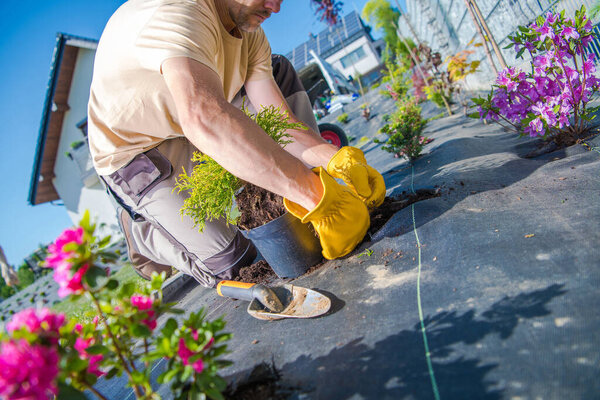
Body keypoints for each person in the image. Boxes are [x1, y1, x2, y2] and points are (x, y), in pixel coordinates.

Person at [87, 0, 386, 288]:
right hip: (140, 151)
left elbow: (280, 123)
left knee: (276, 71)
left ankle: (306, 190)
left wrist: (334, 159)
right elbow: (204, 118)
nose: (276, 7)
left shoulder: (250, 32)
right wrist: (316, 195)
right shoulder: (178, 12)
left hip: (195, 116)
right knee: (239, 264)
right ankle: (140, 232)